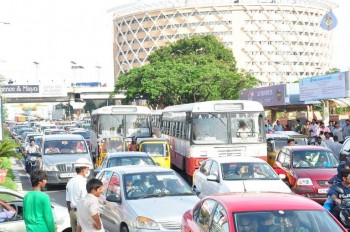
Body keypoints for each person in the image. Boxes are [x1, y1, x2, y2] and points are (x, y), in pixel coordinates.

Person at [66, 158, 92, 232]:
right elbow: (84, 200)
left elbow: (68, 201)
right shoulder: (83, 182)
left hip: (72, 212)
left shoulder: (70, 181)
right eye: (87, 169)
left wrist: (71, 213)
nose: (88, 171)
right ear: (82, 170)